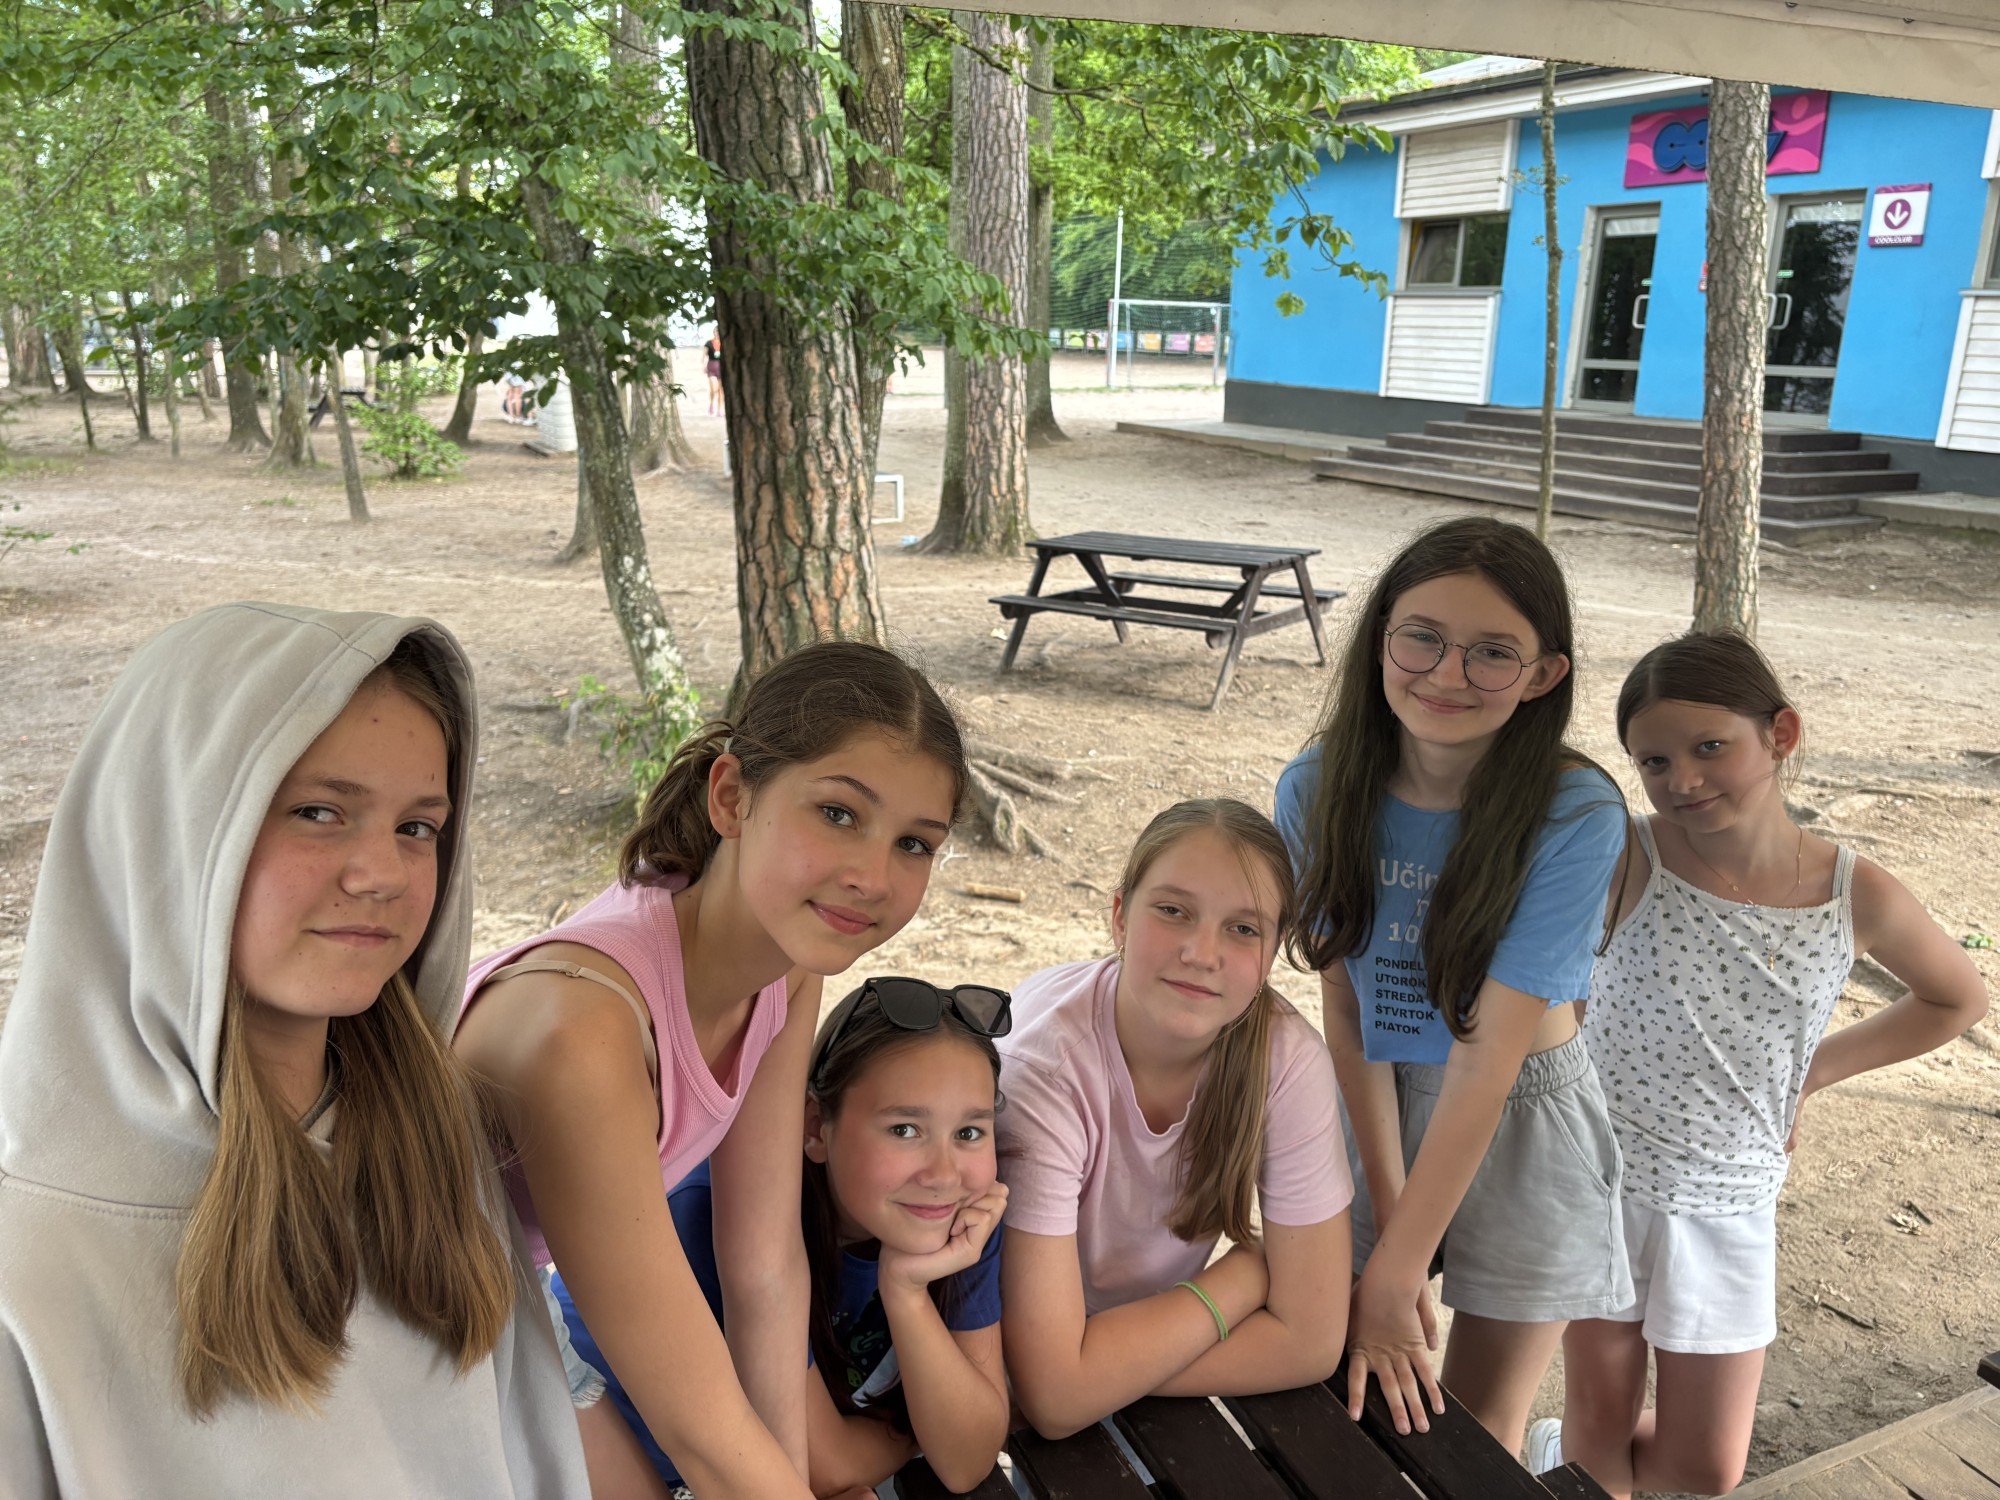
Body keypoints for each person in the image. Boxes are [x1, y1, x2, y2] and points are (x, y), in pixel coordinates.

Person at [0, 603, 588, 1497]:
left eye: (417, 827)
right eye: (319, 812)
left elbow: (529, 1448)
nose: (382, 874)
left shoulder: (431, 1141)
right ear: (171, 832)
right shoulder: (34, 1244)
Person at [455, 640, 968, 1500]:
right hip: (371, 1335)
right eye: (838, 813)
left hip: (500, 1301)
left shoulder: (786, 963)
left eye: (915, 843)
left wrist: (799, 1479)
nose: (873, 877)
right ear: (731, 796)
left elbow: (763, 1268)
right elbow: (703, 1432)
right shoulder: (586, 1032)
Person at [1530, 631, 1989, 1496]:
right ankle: (1575, 1456)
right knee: (1601, 1433)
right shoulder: (1626, 855)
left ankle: (1555, 1449)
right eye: (1654, 761)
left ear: (1780, 734)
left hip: (1731, 1194)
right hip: (1600, 1180)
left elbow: (1956, 999)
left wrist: (1813, 1071)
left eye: (1710, 747)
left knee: (1708, 1468)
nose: (1683, 780)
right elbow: (1556, 988)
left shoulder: (1854, 891)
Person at [1277, 515, 1631, 1454]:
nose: (1447, 674)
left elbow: (1487, 1055)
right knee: (1345, 1392)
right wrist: (1395, 1226)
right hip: (1372, 1098)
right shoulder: (1316, 785)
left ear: (1543, 675)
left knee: (1473, 1429)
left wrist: (1401, 1271)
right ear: (1380, 637)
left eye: (1492, 653)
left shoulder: (1576, 811)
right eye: (1423, 637)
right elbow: (1346, 1003)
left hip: (1520, 1112)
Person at [555, 976, 1012, 1497]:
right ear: (815, 1128)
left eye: (969, 1133)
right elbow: (826, 1469)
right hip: (611, 1469)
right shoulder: (722, 1216)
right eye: (904, 1130)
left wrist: (906, 1292)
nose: (944, 1175)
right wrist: (921, 1430)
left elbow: (966, 1461)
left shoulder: (960, 1217)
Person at [999, 798, 1353, 1439]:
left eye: (1243, 928)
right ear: (1119, 917)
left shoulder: (1286, 1059)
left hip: (1121, 1348)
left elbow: (1312, 1342)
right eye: (1173, 911)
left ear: (1273, 952)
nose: (1201, 952)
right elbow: (1048, 1395)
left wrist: (1100, 1372)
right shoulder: (1045, 1073)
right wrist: (1243, 1275)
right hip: (983, 1361)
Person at [703, 329, 724, 416]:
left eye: (718, 331)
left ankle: (719, 410)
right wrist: (704, 365)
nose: (717, 333)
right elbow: (704, 355)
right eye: (715, 332)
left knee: (720, 390)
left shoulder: (724, 342)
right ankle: (711, 404)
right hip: (711, 366)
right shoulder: (708, 343)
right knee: (713, 389)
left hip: (721, 367)